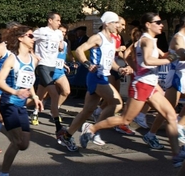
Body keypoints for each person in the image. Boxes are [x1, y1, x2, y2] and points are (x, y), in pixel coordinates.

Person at [80, 12, 185, 168]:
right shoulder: (146, 41)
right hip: (141, 86)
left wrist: (172, 54)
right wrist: (172, 58)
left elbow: (130, 55)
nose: (161, 24)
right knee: (125, 120)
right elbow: (149, 60)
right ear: (148, 25)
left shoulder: (150, 41)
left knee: (170, 116)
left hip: (150, 85)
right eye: (158, 22)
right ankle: (92, 128)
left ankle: (176, 155)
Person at [57, 11, 132, 151]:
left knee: (87, 110)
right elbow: (79, 50)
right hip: (96, 77)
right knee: (117, 103)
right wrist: (87, 64)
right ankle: (93, 128)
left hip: (102, 76)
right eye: (115, 23)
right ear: (107, 23)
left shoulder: (111, 40)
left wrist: (120, 69)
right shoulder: (98, 37)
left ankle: (66, 136)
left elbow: (109, 62)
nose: (118, 26)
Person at [0, 25, 43, 176]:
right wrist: (16, 91)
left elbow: (29, 83)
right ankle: (4, 173)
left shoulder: (33, 60)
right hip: (8, 103)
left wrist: (35, 96)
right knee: (17, 142)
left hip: (21, 106)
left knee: (24, 144)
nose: (33, 39)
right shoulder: (12, 59)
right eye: (30, 36)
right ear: (20, 38)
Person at [143, 13, 185, 148]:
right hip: (176, 76)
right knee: (167, 109)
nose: (161, 25)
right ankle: (151, 134)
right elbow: (182, 55)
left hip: (184, 74)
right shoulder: (178, 38)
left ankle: (180, 126)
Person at [31, 12, 64, 126]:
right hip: (43, 65)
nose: (59, 23)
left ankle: (33, 111)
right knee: (54, 94)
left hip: (52, 66)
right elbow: (29, 40)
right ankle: (57, 122)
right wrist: (33, 54)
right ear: (50, 20)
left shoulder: (59, 33)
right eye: (57, 20)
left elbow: (60, 45)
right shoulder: (41, 31)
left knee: (40, 94)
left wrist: (61, 46)